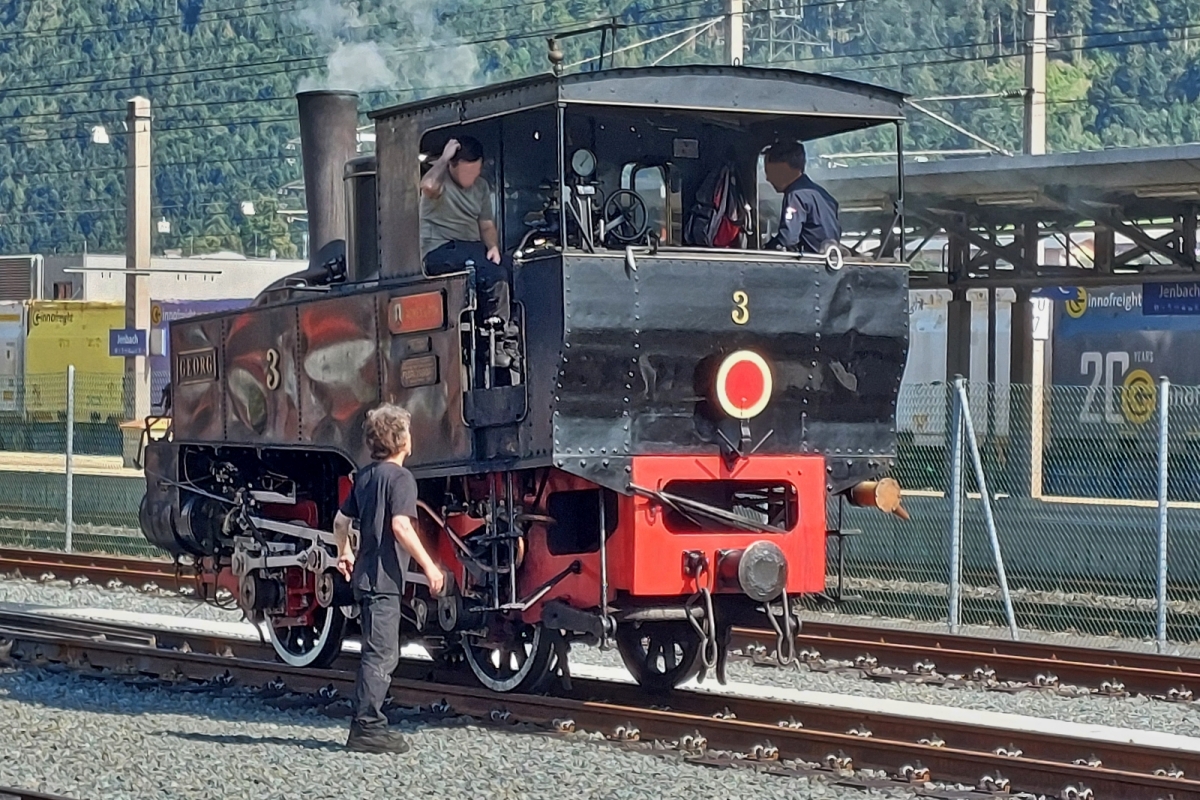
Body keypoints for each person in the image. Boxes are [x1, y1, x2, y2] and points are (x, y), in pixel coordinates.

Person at [333, 403, 445, 754]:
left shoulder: (364, 477)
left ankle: (369, 723)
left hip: (365, 577)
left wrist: (344, 552)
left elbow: (339, 522)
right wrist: (430, 567)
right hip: (384, 581)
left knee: (376, 651)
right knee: (381, 655)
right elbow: (400, 525)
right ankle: (367, 727)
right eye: (408, 432)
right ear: (401, 440)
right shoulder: (401, 479)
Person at [420, 136, 511, 327]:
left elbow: (486, 224)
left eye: (476, 170)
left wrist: (493, 247)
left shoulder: (481, 187)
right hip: (441, 249)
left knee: (509, 265)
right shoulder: (439, 181)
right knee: (480, 266)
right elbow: (427, 186)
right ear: (452, 165)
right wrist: (444, 158)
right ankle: (494, 321)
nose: (472, 176)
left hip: (473, 248)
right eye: (466, 171)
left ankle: (504, 326)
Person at [762, 141, 841, 254]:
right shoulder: (822, 194)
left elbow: (788, 239)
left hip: (811, 262)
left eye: (769, 172)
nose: (767, 179)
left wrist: (768, 248)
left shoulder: (796, 195)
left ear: (784, 168)